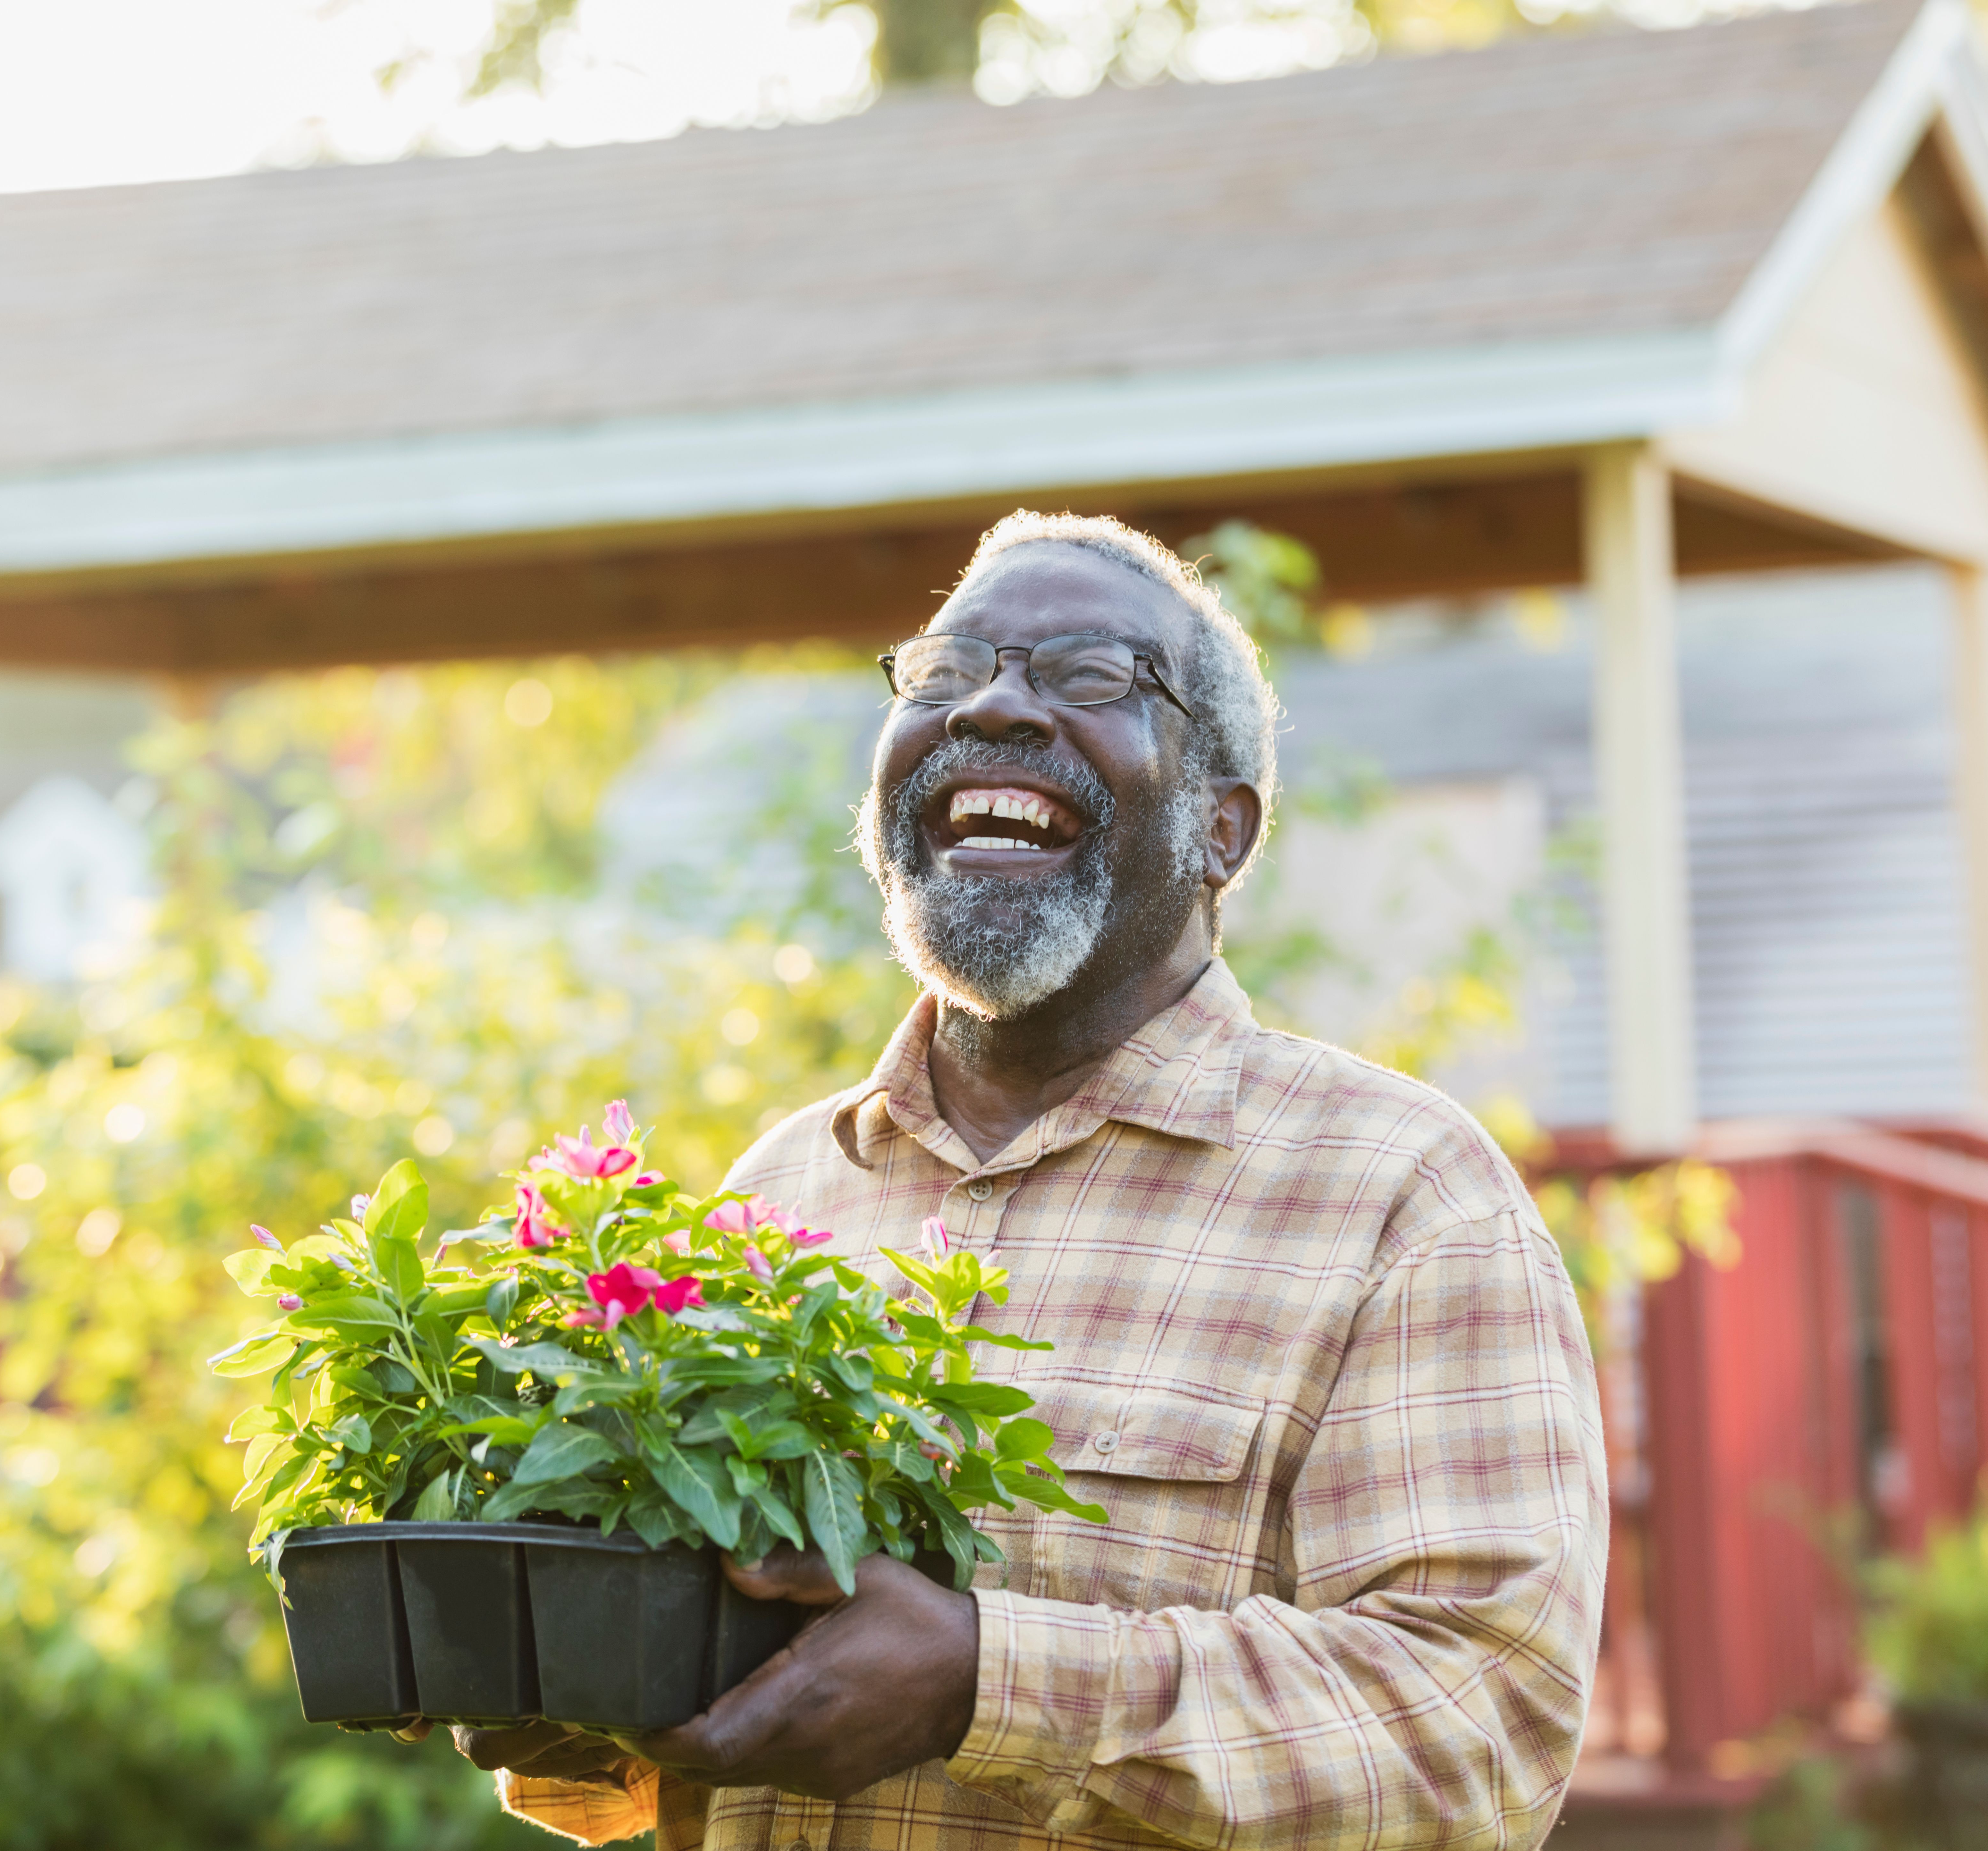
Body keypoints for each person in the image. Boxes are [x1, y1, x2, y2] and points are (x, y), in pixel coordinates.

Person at [440, 510, 1607, 1849]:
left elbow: (1474, 1728)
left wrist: (981, 1683)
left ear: (1221, 832)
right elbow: (672, 1746)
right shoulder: (772, 1195)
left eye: (1094, 678)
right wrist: (571, 1698)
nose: (992, 704)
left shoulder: (1405, 1198)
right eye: (943, 673)